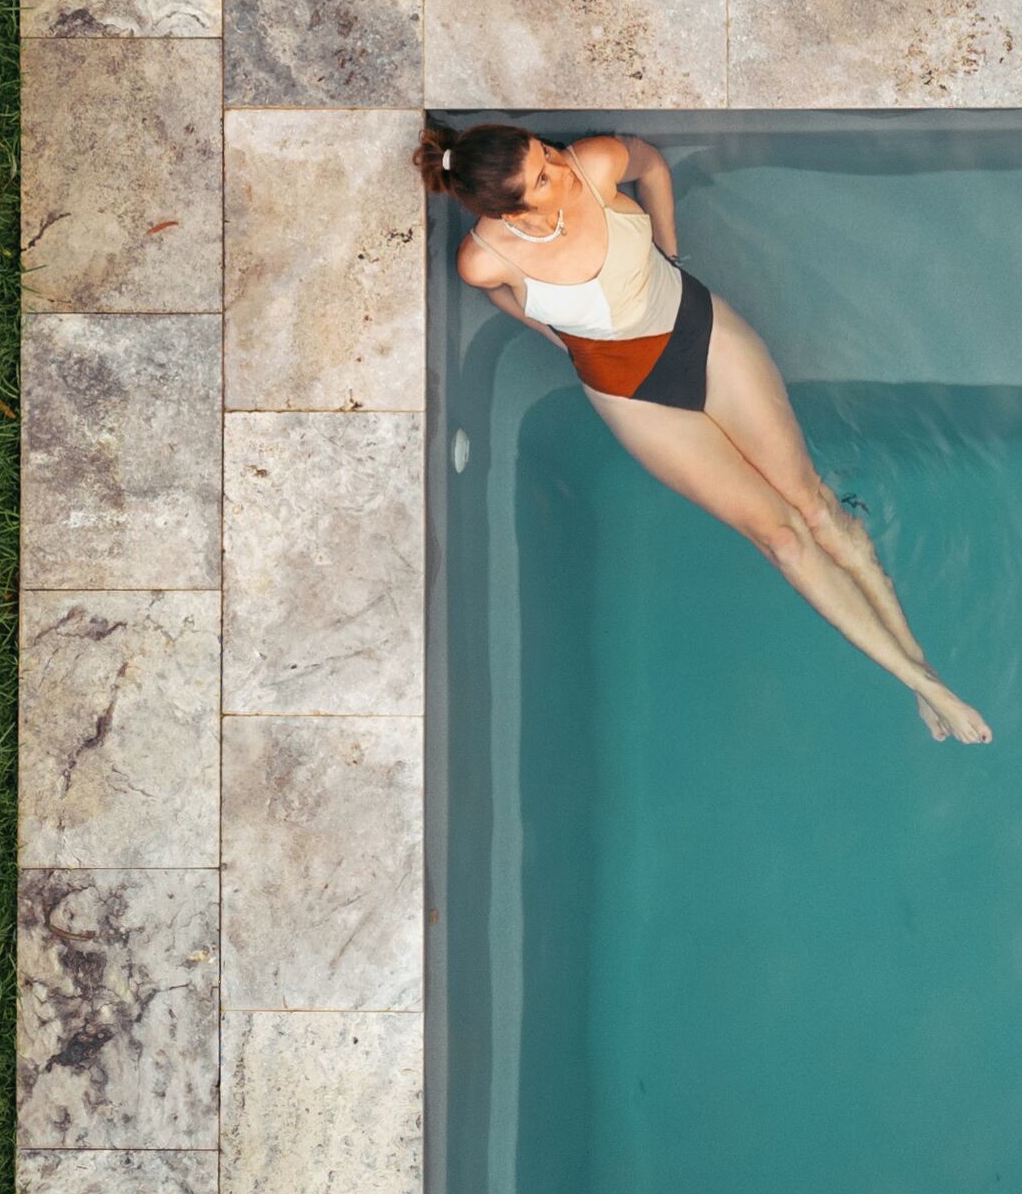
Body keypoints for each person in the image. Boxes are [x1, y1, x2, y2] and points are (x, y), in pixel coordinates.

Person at [418, 123, 992, 743]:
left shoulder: (597, 164)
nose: (559, 168)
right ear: (510, 210)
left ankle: (919, 668)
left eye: (546, 155)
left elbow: (654, 166)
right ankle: (928, 688)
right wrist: (558, 336)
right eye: (541, 178)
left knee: (815, 508)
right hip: (633, 393)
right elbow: (509, 298)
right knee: (783, 538)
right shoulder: (484, 260)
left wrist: (669, 253)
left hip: (701, 332)